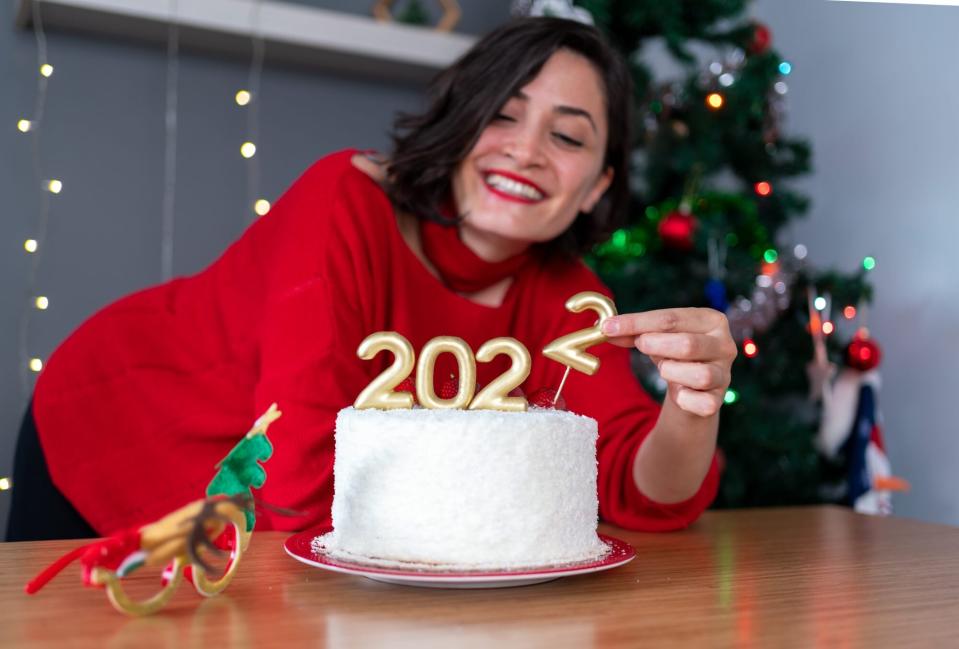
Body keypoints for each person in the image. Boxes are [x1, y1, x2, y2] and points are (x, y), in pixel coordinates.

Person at [6, 17, 736, 542]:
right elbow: (294, 479)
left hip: (274, 532)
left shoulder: (570, 298)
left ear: (595, 185)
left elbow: (637, 492)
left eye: (568, 135)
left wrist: (692, 405)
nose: (526, 151)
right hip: (116, 429)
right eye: (501, 116)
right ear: (458, 127)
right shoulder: (343, 202)